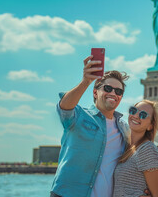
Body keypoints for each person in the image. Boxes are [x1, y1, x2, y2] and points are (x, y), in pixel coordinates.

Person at [50, 55, 130, 197]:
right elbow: (64, 107)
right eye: (108, 88)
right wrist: (86, 81)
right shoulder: (79, 116)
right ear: (95, 92)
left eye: (118, 91)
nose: (113, 93)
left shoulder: (124, 129)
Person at [113, 100, 158, 197]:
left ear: (150, 126)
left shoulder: (147, 149)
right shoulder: (126, 147)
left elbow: (157, 195)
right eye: (133, 110)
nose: (135, 116)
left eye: (143, 115)